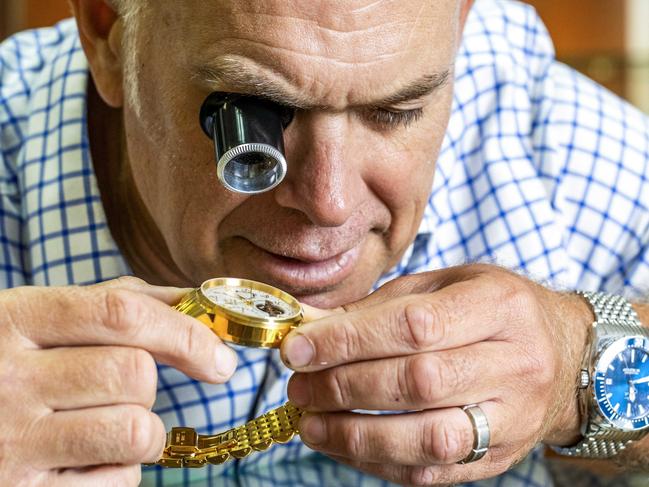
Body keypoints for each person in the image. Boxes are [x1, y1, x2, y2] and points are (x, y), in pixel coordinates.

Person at [0, 0, 648, 485]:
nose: (327, 202)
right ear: (108, 31)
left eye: (394, 112)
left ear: (459, 21)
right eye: (252, 111)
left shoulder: (532, 126)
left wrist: (578, 370)